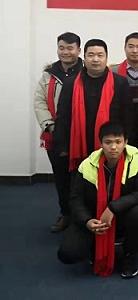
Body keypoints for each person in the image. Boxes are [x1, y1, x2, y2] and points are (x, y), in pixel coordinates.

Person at [57, 121, 138, 279]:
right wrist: (87, 221)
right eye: (108, 142)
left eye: (118, 142)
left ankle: (129, 255)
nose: (113, 147)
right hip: (94, 216)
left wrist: (113, 208)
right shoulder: (87, 164)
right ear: (100, 143)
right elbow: (75, 198)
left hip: (122, 216)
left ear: (125, 142)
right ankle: (95, 246)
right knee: (67, 254)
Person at [54, 39, 134, 172]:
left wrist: (126, 143)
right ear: (84, 58)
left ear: (106, 58)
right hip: (79, 143)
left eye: (100, 55)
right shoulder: (71, 83)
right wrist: (62, 147)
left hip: (111, 145)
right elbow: (62, 116)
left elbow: (128, 117)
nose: (95, 59)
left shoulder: (120, 83)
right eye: (91, 55)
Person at [34, 32, 83, 233]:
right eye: (62, 48)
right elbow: (39, 102)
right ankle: (66, 214)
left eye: (70, 48)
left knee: (81, 178)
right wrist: (51, 126)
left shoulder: (87, 72)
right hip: (56, 135)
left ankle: (82, 216)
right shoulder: (48, 75)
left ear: (79, 50)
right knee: (61, 178)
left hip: (81, 134)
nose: (65, 52)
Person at [110, 32, 138, 145]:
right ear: (125, 48)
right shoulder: (112, 72)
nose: (135, 51)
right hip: (121, 119)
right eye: (131, 46)